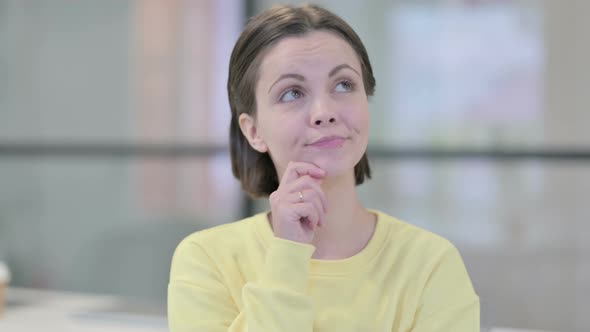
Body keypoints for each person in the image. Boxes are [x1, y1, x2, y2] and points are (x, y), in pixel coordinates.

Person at [168, 4, 479, 331]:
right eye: (292, 92)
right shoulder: (206, 260)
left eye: (344, 85)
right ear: (253, 131)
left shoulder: (430, 265)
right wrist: (287, 256)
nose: (324, 111)